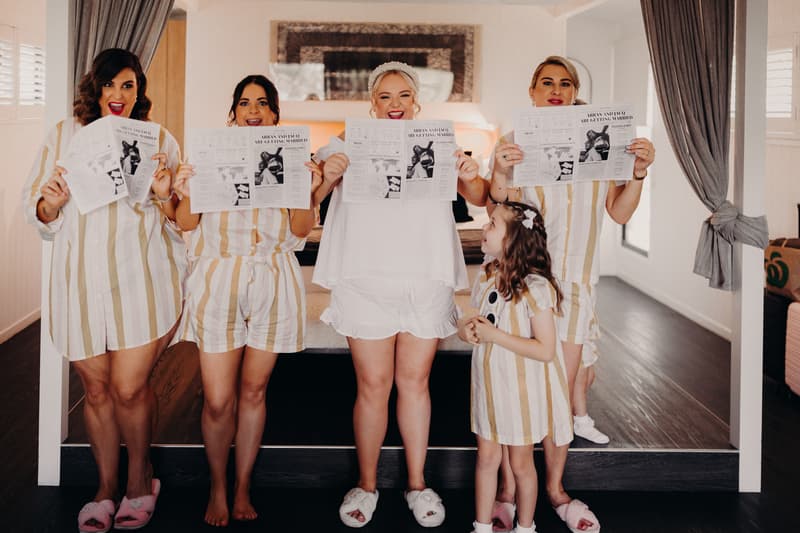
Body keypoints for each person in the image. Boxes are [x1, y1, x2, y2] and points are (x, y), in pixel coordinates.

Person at [460, 55, 655, 533]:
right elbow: (499, 208)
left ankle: (554, 491)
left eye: (564, 83)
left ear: (573, 92)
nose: (555, 89)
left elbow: (621, 214)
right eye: (545, 82)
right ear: (532, 90)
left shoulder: (602, 144)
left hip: (576, 284)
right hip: (524, 285)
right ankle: (508, 491)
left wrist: (638, 173)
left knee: (556, 395)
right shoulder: (513, 143)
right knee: (513, 389)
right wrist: (500, 173)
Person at [311, 61, 489, 528]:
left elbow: (477, 195)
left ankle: (416, 482)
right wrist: (329, 174)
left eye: (404, 95)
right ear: (372, 103)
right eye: (385, 96)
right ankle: (366, 484)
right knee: (372, 386)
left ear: (417, 103)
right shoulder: (344, 144)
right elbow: (314, 190)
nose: (394, 104)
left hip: (423, 278)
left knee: (415, 384)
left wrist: (469, 170)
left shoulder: (440, 145)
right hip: (365, 279)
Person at [22, 48, 184, 532]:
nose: (118, 95)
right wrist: (49, 204)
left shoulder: (159, 140)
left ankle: (140, 481)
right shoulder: (63, 136)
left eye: (128, 86)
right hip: (79, 281)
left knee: (130, 389)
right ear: (95, 88)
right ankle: (104, 488)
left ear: (140, 91)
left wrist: (164, 194)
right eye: (110, 85)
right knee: (95, 390)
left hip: (141, 276)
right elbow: (42, 216)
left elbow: (182, 220)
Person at [172, 74, 322, 527]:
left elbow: (300, 230)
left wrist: (308, 188)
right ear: (233, 113)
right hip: (219, 276)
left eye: (262, 103)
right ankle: (217, 487)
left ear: (275, 114)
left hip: (273, 276)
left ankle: (241, 486)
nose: (253, 110)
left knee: (254, 391)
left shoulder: (292, 158)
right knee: (218, 400)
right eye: (244, 103)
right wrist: (186, 186)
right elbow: (184, 222)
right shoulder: (208, 155)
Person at [458, 202, 572, 533]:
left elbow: (546, 349)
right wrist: (468, 330)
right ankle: (481, 526)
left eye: (492, 224)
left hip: (520, 397)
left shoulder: (536, 289)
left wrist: (496, 335)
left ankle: (525, 527)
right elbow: (474, 318)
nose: (484, 227)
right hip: (488, 387)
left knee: (522, 465)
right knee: (486, 460)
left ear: (513, 240)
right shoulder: (488, 275)